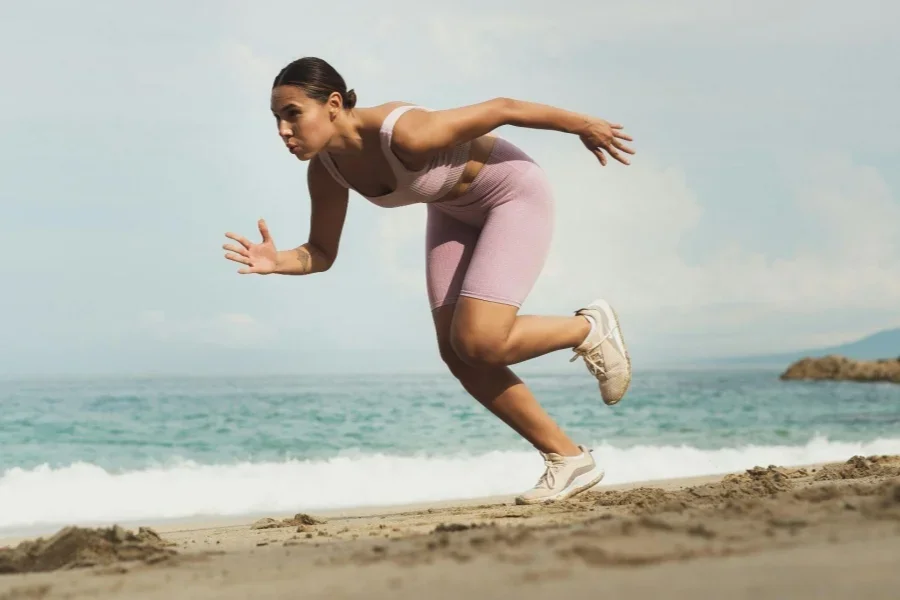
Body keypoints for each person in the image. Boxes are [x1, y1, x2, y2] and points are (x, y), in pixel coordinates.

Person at [222, 57, 635, 505]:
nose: (283, 130)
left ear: (334, 104)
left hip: (511, 193)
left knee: (480, 341)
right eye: (277, 118)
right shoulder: (327, 170)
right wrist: (277, 261)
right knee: (457, 353)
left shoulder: (405, 133)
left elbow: (504, 108)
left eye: (293, 114)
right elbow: (321, 252)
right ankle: (568, 458)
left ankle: (587, 328)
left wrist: (584, 125)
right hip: (451, 209)